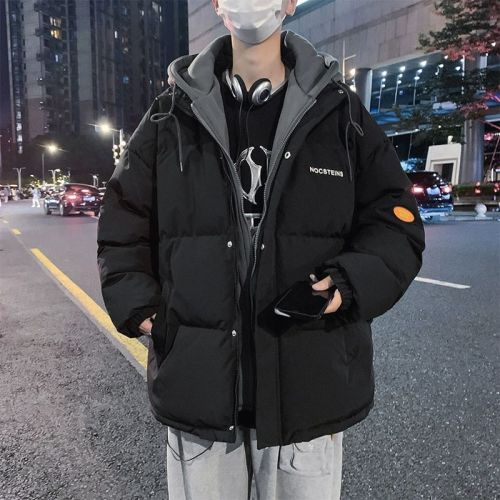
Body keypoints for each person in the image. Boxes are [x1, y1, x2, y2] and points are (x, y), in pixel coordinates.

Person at [97, 0, 426, 498]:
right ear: (217, 4)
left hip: (307, 388)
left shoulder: (338, 112)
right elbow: (122, 223)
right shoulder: (170, 115)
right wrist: (143, 311)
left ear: (290, 3)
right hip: (200, 392)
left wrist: (348, 284)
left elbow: (396, 222)